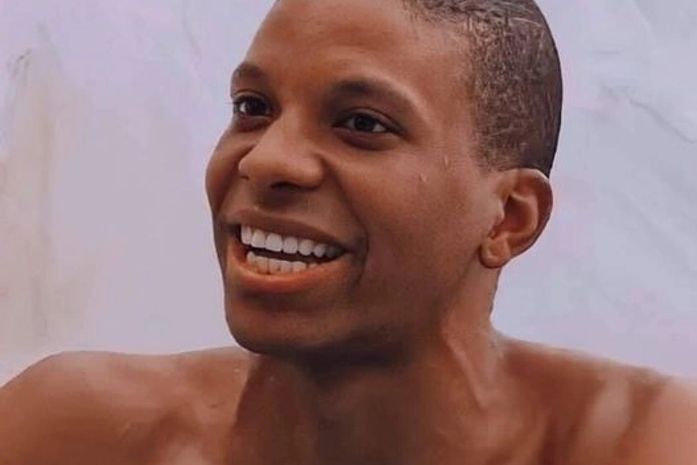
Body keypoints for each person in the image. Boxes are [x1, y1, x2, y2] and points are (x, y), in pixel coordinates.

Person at [1, 0, 695, 463]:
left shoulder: (647, 442)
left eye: (362, 123)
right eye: (253, 107)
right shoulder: (72, 434)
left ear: (509, 217)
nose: (266, 158)